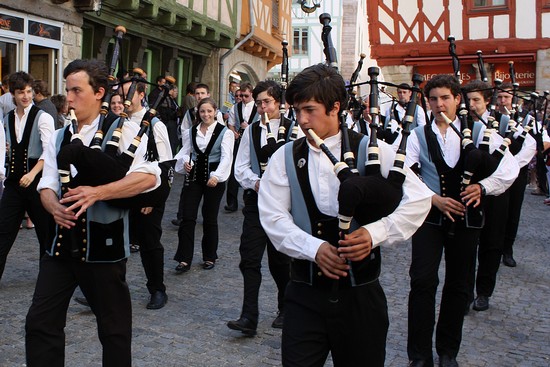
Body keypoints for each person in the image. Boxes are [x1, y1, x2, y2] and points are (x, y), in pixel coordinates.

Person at [257, 64, 433, 366]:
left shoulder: (371, 149)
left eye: (309, 110)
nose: (301, 120)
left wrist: (374, 233)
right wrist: (314, 249)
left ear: (335, 107)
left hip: (361, 297)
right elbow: (273, 217)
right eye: (297, 110)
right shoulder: (285, 156)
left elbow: (419, 199)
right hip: (304, 294)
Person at [25, 59, 160, 366]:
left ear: (99, 93)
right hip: (59, 247)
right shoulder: (60, 135)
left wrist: (98, 192)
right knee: (40, 323)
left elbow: (150, 177)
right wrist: (52, 206)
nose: (69, 98)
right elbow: (46, 184)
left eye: (76, 90)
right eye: (66, 90)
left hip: (103, 250)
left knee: (113, 331)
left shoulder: (123, 130)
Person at [405, 74, 519, 367]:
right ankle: (418, 355)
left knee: (459, 285)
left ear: (458, 99)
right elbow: (405, 173)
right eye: (433, 99)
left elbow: (509, 169)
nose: (439, 104)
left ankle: (447, 352)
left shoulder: (480, 131)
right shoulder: (418, 135)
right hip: (428, 218)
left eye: (445, 98)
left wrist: (483, 187)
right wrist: (433, 198)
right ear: (427, 102)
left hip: (466, 219)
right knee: (422, 282)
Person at [227, 80, 297, 337]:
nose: (262, 107)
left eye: (266, 102)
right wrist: (255, 182)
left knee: (281, 262)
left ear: (279, 103)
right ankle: (249, 316)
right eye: (258, 103)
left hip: (285, 207)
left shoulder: (294, 129)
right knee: (249, 258)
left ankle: (286, 307)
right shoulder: (252, 130)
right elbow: (241, 166)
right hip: (257, 203)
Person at [465, 81, 536, 313]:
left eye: (476, 100)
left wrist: (513, 164)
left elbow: (530, 145)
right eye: (468, 99)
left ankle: (483, 292)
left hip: (497, 192)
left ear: (487, 101)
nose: (471, 104)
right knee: (465, 245)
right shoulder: (460, 123)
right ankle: (464, 293)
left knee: (491, 244)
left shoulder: (504, 123)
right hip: (468, 192)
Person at [121, 77, 173, 309]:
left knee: (149, 243)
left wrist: (153, 199)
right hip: (120, 191)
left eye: (128, 94)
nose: (124, 100)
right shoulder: (115, 122)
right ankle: (108, 290)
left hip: (148, 193)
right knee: (115, 243)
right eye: (121, 95)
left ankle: (157, 289)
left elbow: (166, 165)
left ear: (141, 95)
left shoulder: (155, 125)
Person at [0, 71, 55, 282]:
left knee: (45, 232)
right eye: (21, 92)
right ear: (12, 94)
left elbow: (49, 151)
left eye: (29, 91)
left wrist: (32, 174)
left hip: (37, 183)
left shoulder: (43, 117)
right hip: (14, 184)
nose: (25, 96)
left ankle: (49, 279)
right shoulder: (7, 118)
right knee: (3, 231)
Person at [173, 97, 234, 272]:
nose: (206, 114)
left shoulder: (225, 132)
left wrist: (217, 176)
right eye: (202, 111)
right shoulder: (191, 131)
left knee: (209, 218)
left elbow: (226, 157)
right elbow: (186, 151)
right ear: (198, 113)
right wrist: (185, 161)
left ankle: (209, 256)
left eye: (209, 111)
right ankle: (184, 259)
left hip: (214, 180)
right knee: (188, 217)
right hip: (193, 178)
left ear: (215, 112)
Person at [496, 84, 538, 268]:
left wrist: (512, 165)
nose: (503, 101)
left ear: (513, 99)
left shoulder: (525, 119)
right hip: (496, 173)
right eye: (500, 97)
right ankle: (492, 248)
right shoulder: (492, 118)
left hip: (517, 173)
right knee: (496, 212)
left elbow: (531, 146)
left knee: (513, 212)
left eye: (506, 97)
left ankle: (507, 250)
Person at [172, 83, 223, 226]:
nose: (199, 96)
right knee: (188, 187)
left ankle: (207, 215)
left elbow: (220, 132)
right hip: (193, 154)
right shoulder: (190, 113)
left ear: (208, 94)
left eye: (202, 93)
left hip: (211, 158)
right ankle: (183, 215)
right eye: (197, 93)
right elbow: (185, 131)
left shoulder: (216, 114)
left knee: (209, 194)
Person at [225, 82, 257, 212]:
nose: (243, 98)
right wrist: (233, 132)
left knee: (252, 170)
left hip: (253, 142)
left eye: (246, 96)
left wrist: (248, 128)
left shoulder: (258, 107)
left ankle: (248, 200)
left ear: (252, 95)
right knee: (234, 170)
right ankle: (232, 202)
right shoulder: (235, 107)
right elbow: (231, 123)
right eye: (241, 95)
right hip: (239, 142)